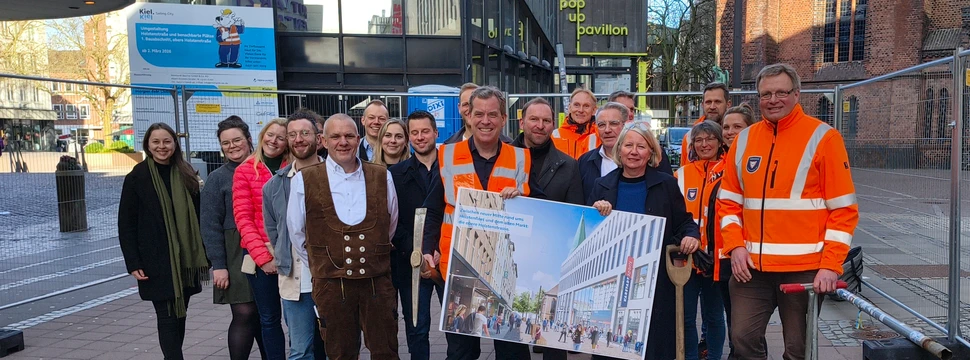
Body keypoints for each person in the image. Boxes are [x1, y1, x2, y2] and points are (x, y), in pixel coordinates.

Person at [717, 63, 858, 360]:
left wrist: (831, 265)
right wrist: (735, 246)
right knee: (742, 337)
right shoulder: (744, 140)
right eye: (766, 93)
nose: (773, 99)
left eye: (781, 92)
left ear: (797, 94)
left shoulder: (824, 138)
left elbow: (844, 210)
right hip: (751, 268)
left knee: (799, 348)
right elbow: (728, 203)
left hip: (804, 268)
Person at [422, 86, 535, 360]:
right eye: (480, 114)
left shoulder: (521, 157)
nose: (486, 121)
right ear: (468, 117)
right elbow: (434, 209)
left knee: (512, 348)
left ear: (503, 119)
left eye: (493, 114)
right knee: (461, 350)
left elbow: (537, 206)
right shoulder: (447, 155)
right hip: (459, 266)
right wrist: (427, 249)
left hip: (503, 269)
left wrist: (523, 196)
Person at [289, 113, 400, 360]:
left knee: (386, 352)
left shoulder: (382, 175)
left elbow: (389, 224)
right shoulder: (304, 180)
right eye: (335, 136)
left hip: (377, 283)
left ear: (358, 139)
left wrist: (373, 251)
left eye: (349, 136)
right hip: (330, 284)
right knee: (340, 354)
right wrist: (324, 263)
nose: (343, 142)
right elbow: (297, 232)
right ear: (323, 141)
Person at [587, 120, 701, 360]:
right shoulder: (602, 186)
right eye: (628, 145)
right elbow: (588, 234)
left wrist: (691, 236)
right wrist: (595, 212)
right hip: (613, 280)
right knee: (612, 346)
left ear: (651, 152)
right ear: (619, 150)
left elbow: (684, 222)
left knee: (655, 346)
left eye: (641, 146)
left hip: (656, 281)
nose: (634, 151)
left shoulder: (666, 184)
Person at [118, 122, 207, 360]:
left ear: (175, 144)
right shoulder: (137, 177)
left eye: (166, 141)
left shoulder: (186, 173)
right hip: (154, 260)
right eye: (155, 142)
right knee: (166, 316)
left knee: (180, 315)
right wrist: (133, 261)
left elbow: (200, 216)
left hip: (185, 261)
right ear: (147, 144)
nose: (161, 146)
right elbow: (126, 223)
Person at [263, 109, 328, 360]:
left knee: (338, 346)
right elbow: (274, 230)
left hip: (333, 277)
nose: (299, 139)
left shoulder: (337, 177)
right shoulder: (274, 185)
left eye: (304, 133)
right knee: (300, 351)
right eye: (292, 134)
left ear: (318, 139)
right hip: (294, 279)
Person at [200, 116, 267, 360]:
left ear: (249, 140)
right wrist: (219, 266)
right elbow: (209, 225)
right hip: (234, 251)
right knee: (244, 312)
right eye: (226, 143)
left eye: (236, 140)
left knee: (265, 314)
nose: (232, 146)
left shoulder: (265, 169)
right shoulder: (217, 178)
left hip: (264, 245)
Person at [389, 110, 443, 360]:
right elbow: (391, 220)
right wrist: (416, 252)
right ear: (409, 137)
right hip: (411, 260)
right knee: (416, 326)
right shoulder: (396, 174)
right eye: (415, 133)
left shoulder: (452, 167)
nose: (420, 137)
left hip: (447, 257)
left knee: (457, 326)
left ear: (435, 133)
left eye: (425, 131)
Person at [233, 118, 289, 360]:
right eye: (270, 134)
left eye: (280, 137)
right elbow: (243, 218)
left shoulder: (294, 166)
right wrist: (264, 258)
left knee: (300, 316)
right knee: (269, 318)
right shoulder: (245, 170)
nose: (273, 141)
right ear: (262, 135)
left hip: (292, 251)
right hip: (260, 255)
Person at [673, 120, 728, 360]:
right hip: (686, 258)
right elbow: (674, 214)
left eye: (710, 139)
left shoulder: (730, 172)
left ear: (719, 141)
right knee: (685, 317)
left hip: (715, 259)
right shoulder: (681, 174)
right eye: (699, 140)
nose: (704, 144)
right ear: (692, 145)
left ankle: (714, 357)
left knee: (715, 315)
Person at [714, 102, 756, 358]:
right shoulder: (717, 167)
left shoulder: (753, 163)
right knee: (732, 317)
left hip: (745, 253)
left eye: (737, 127)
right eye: (726, 127)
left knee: (745, 325)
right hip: (722, 255)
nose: (730, 132)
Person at [578, 102, 673, 202]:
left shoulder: (652, 156)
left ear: (626, 125)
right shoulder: (584, 162)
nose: (607, 130)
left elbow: (667, 195)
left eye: (613, 123)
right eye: (601, 125)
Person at [511, 97, 583, 205]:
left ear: (553, 125)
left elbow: (575, 214)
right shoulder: (500, 156)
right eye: (534, 119)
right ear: (521, 123)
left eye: (546, 121)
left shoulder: (569, 167)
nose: (540, 126)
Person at [680, 83, 731, 166]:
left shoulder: (733, 135)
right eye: (708, 102)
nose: (712, 106)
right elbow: (684, 170)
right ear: (702, 105)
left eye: (717, 102)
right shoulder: (689, 137)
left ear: (728, 104)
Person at [445, 83, 513, 144]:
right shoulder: (448, 148)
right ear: (459, 108)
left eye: (492, 114)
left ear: (503, 119)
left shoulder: (513, 147)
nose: (469, 109)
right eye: (466, 104)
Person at [552, 87, 600, 159]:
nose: (581, 110)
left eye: (586, 106)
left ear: (594, 110)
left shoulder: (600, 135)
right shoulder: (555, 135)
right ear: (570, 108)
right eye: (576, 105)